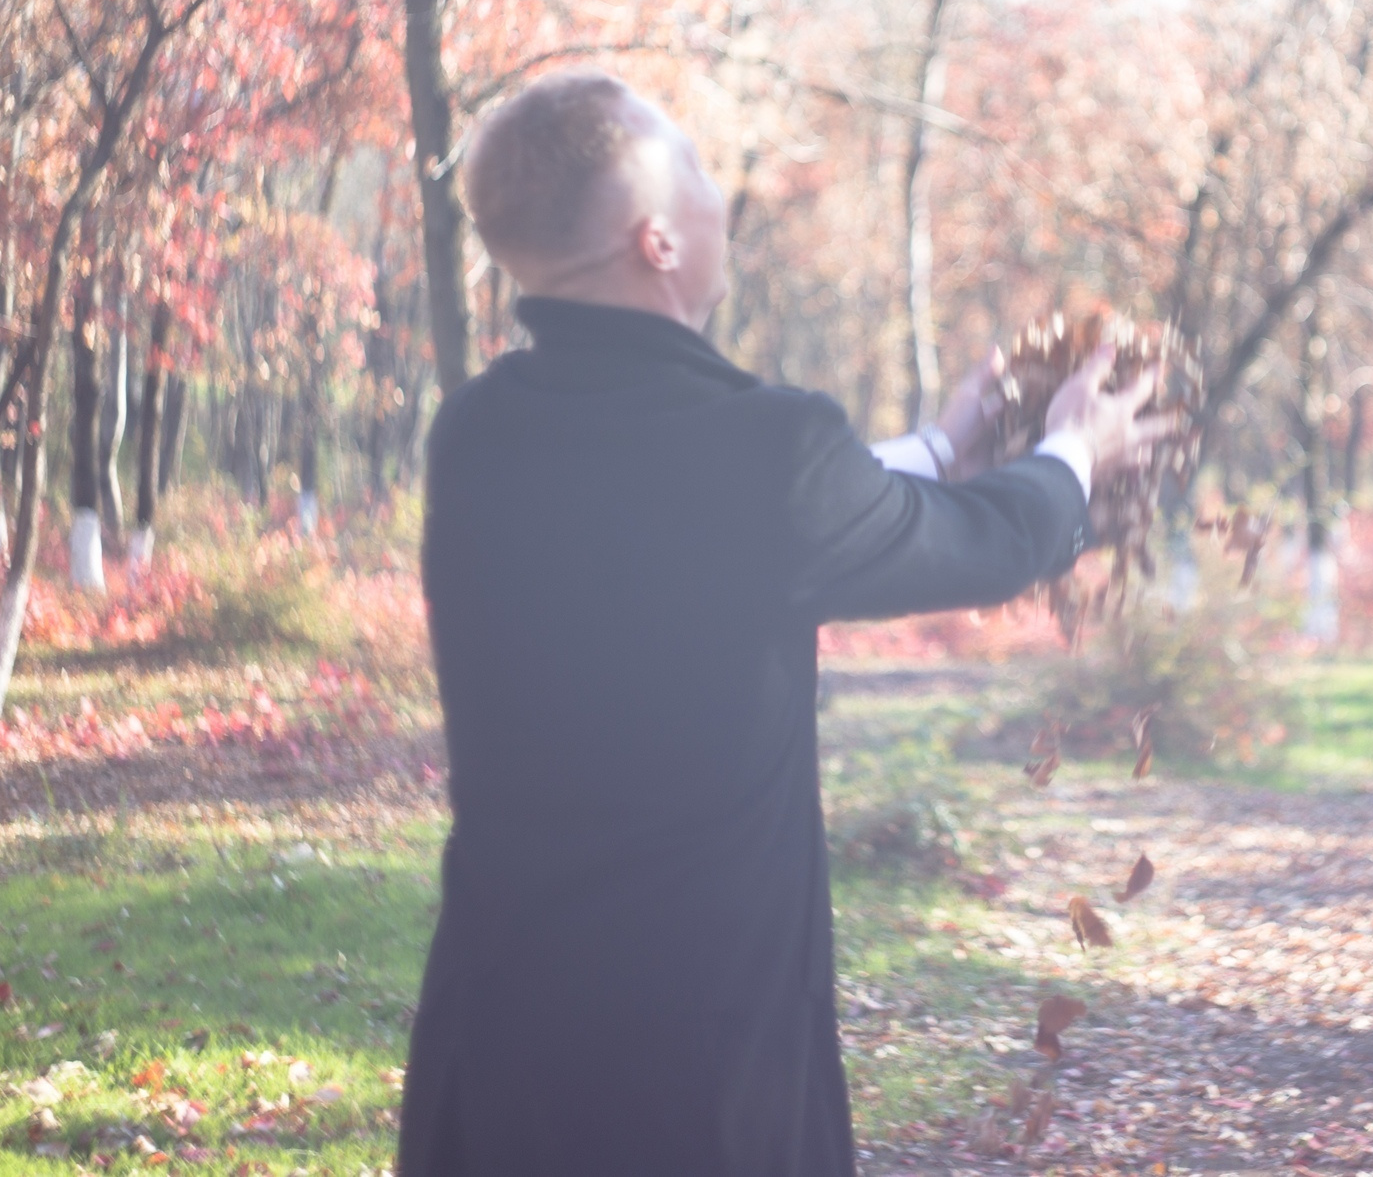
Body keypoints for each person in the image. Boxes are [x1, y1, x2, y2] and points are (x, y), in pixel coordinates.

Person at [395, 70, 1171, 1176]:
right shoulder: (769, 452)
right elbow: (986, 544)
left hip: (500, 1041)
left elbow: (709, 514)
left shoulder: (477, 433)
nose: (719, 191)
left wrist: (941, 447)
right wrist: (1077, 448)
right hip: (694, 1064)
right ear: (658, 241)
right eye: (695, 167)